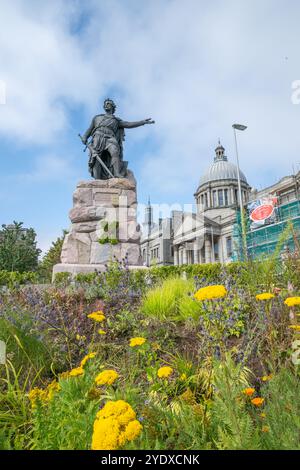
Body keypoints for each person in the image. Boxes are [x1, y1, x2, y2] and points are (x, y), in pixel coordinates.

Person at [81, 98, 154, 179]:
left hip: (110, 138)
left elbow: (129, 124)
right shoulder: (97, 118)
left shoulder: (116, 121)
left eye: (108, 103)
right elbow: (90, 129)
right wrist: (85, 136)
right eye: (105, 104)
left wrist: (142, 122)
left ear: (112, 107)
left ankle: (117, 173)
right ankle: (97, 178)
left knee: (115, 152)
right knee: (97, 156)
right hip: (98, 137)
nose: (106, 105)